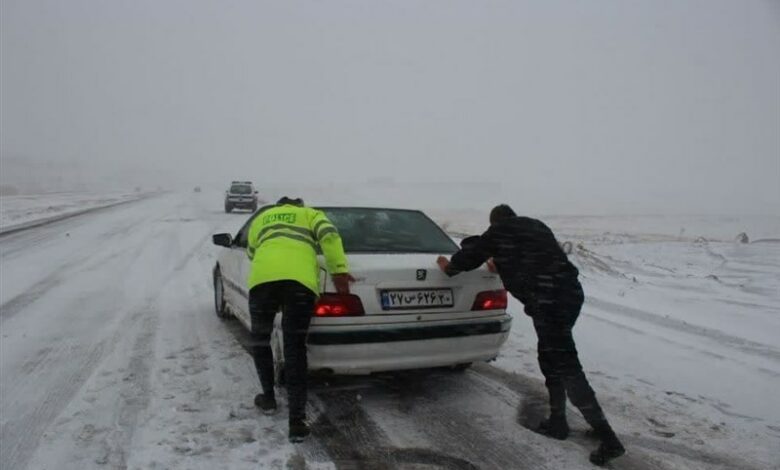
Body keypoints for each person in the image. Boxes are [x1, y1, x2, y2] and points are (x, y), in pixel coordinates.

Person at [435, 204, 625, 466]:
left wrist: (447, 265)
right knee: (551, 356)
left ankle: (608, 439)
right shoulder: (536, 227)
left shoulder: (498, 231)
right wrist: (503, 262)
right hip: (570, 294)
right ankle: (558, 421)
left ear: (494, 222)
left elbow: (465, 261)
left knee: (567, 366)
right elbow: (534, 258)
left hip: (548, 302)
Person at [246, 196, 353, 442]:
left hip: (263, 282)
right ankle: (296, 422)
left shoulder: (263, 217)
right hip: (299, 284)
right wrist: (338, 270)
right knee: (294, 348)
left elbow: (252, 252)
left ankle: (268, 398)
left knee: (260, 340)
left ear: (279, 206)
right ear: (299, 206)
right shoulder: (310, 214)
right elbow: (329, 235)